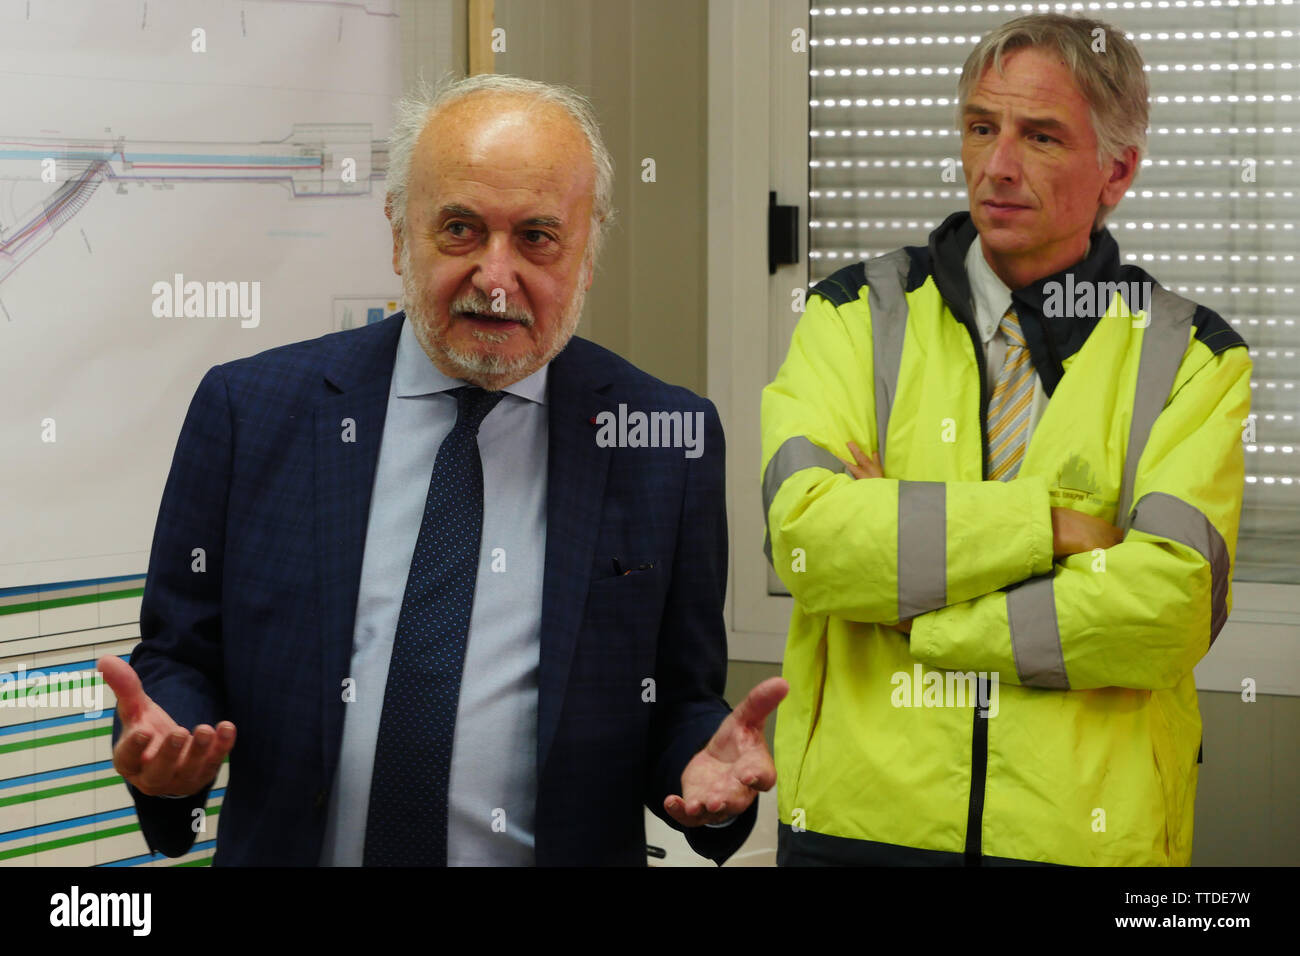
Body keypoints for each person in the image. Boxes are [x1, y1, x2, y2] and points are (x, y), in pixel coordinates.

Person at [102, 73, 786, 866]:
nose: (496, 279)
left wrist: (701, 767)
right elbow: (181, 657)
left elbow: (675, 696)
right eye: (460, 229)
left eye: (536, 237)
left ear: (587, 254)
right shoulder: (249, 410)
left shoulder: (665, 438)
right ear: (399, 233)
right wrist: (169, 753)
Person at [761, 13, 1251, 866]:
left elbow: (1166, 612)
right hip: (858, 829)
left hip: (1087, 841)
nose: (997, 166)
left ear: (1119, 170)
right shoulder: (851, 314)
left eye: (1042, 137)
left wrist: (918, 616)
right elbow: (809, 543)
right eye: (982, 128)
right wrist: (1049, 529)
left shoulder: (1192, 356)